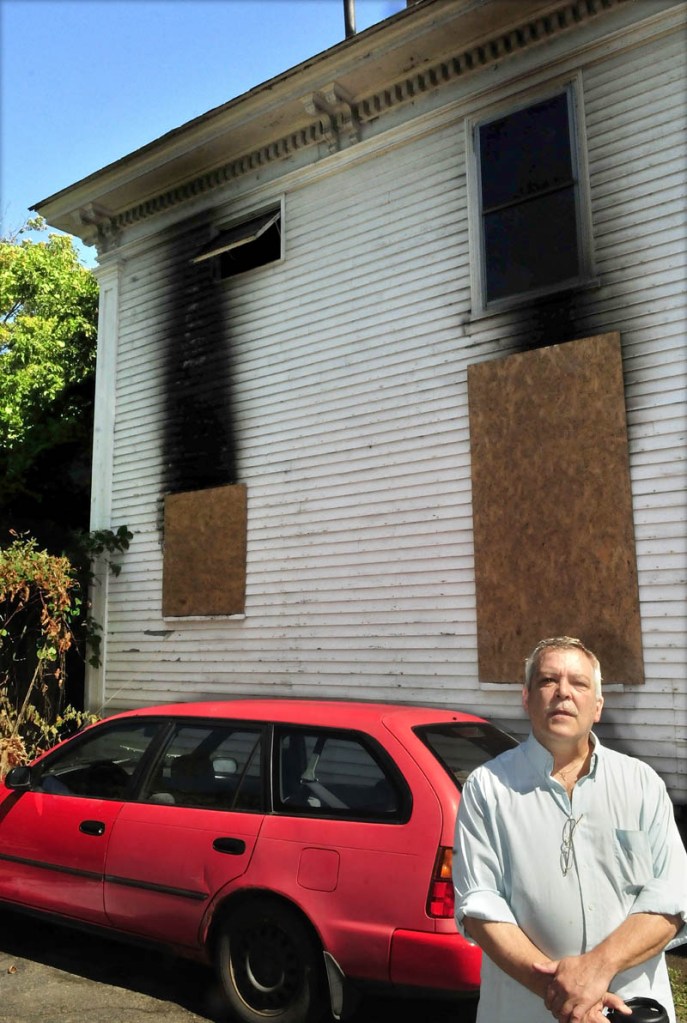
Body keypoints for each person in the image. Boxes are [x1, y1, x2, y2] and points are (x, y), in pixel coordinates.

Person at [453, 636, 687, 1023]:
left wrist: (598, 967)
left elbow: (673, 895)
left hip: (630, 1010)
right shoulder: (487, 788)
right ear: (526, 698)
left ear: (598, 706)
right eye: (548, 680)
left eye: (579, 683)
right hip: (524, 1011)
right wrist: (565, 996)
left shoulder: (641, 783)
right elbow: (480, 905)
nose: (563, 692)